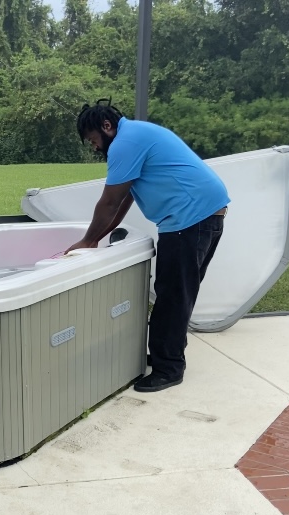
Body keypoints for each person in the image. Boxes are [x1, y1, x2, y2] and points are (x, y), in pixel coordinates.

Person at [66, 99, 230, 392]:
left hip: (189, 218)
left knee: (173, 295)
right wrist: (102, 233)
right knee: (178, 292)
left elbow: (110, 201)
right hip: (202, 214)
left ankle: (168, 368)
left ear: (107, 127)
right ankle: (166, 356)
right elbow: (123, 202)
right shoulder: (136, 135)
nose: (94, 147)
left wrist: (89, 239)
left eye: (93, 140)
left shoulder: (124, 143)